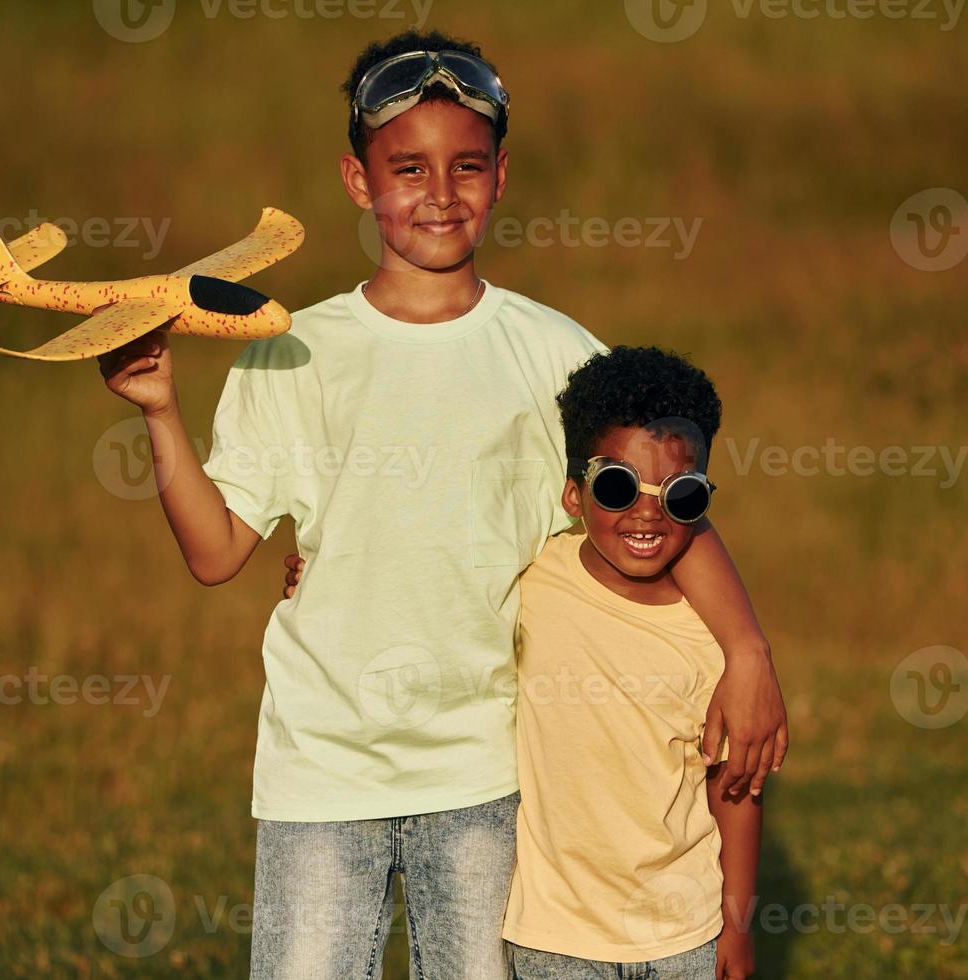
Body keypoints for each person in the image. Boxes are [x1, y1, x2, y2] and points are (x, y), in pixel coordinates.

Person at [100, 29, 785, 979]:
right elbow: (217, 553)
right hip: (320, 772)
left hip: (487, 777)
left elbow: (663, 509)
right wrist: (160, 410)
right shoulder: (290, 350)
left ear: (501, 176)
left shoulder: (558, 355)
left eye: (466, 166)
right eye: (407, 168)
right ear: (356, 180)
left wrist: (747, 651)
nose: (439, 193)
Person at [504, 345, 761, 980]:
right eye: (619, 486)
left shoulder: (713, 639)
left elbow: (735, 790)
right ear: (573, 494)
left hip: (684, 935)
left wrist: (736, 928)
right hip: (554, 939)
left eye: (681, 495)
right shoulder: (531, 582)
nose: (646, 513)